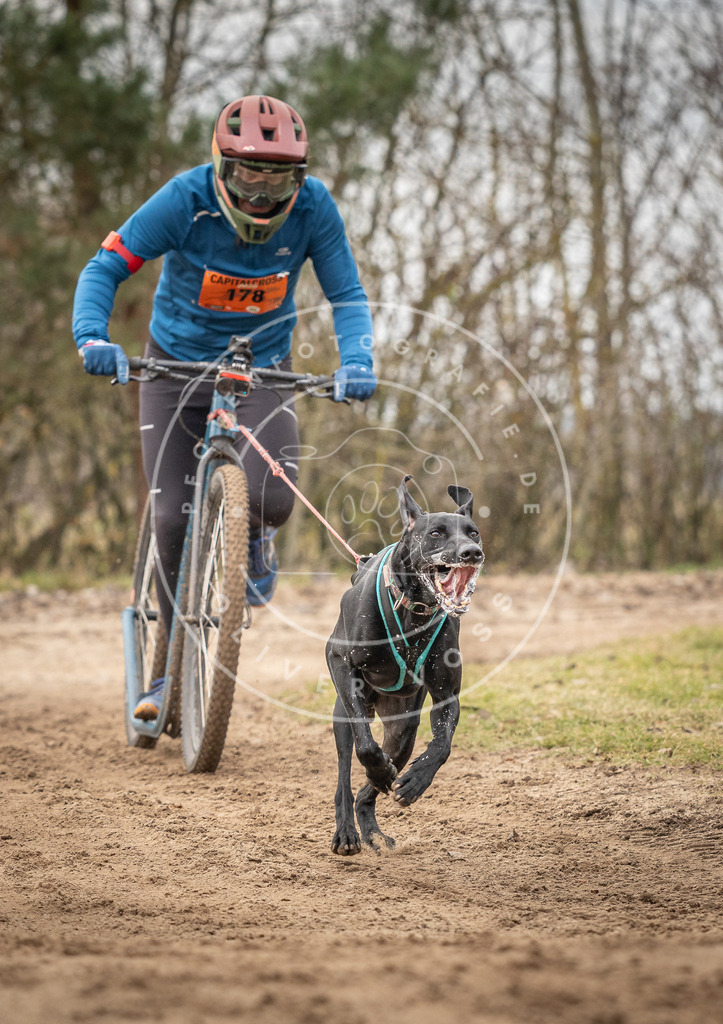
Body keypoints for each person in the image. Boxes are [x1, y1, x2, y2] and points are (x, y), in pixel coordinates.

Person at [72, 94, 376, 720]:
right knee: (172, 523)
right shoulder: (183, 200)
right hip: (173, 366)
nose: (262, 192)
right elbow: (106, 267)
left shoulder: (314, 207)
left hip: (259, 365)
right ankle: (164, 675)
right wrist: (93, 337)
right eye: (248, 173)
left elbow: (346, 292)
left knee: (274, 497)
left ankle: (252, 538)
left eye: (280, 176)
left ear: (302, 176)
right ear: (220, 165)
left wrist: (359, 360)